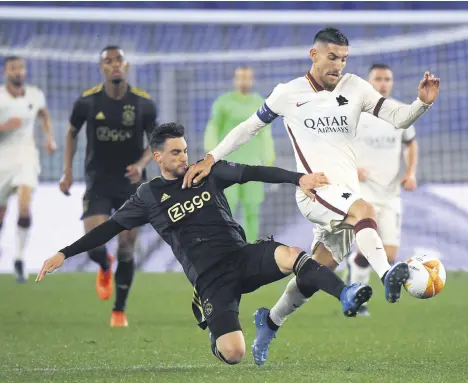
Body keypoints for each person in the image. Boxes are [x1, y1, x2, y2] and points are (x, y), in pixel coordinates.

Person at [182, 27, 440, 365]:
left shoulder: (356, 87)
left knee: (314, 273)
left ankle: (270, 321)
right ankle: (386, 272)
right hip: (314, 190)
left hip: (343, 195)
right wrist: (212, 157)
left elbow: (398, 118)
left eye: (344, 59)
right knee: (365, 209)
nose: (339, 65)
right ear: (313, 55)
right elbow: (249, 126)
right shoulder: (289, 93)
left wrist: (421, 102)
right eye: (332, 57)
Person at [37, 122, 372, 365]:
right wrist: (64, 253)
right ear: (157, 157)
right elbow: (109, 227)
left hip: (242, 256)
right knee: (234, 353)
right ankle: (215, 332)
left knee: (293, 256)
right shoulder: (149, 196)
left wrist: (298, 178)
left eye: (185, 150)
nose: (184, 157)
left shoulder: (206, 171)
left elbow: (255, 172)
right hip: (211, 280)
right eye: (175, 152)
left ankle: (345, 293)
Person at [59, 45, 157, 327]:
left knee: (127, 244)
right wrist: (67, 172)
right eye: (108, 61)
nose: (114, 65)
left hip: (131, 184)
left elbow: (156, 142)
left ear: (127, 66)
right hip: (99, 181)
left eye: (119, 60)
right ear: (101, 68)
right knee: (94, 242)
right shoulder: (88, 102)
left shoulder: (143, 103)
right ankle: (103, 264)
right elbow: (71, 133)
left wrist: (140, 164)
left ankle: (119, 310)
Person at [346, 63, 419, 316]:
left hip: (390, 193)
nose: (383, 83)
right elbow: (337, 146)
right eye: (378, 79)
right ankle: (357, 297)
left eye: (387, 79)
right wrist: (351, 169)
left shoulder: (401, 112)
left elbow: (410, 144)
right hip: (363, 192)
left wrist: (410, 172)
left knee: (389, 253)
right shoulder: (355, 113)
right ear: (369, 82)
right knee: (369, 246)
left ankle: (354, 265)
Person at [204, 65, 275, 243]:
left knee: (252, 211)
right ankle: (228, 247)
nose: (244, 81)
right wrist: (211, 156)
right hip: (228, 164)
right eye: (240, 77)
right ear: (235, 80)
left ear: (252, 79)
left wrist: (269, 159)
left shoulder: (259, 102)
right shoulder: (223, 102)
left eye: (247, 77)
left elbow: (266, 134)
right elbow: (213, 128)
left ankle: (249, 247)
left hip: (252, 166)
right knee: (226, 209)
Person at [0, 56, 56, 282]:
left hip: (26, 158)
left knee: (24, 206)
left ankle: (20, 259)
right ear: (6, 72)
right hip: (2, 160)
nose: (18, 72)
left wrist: (49, 138)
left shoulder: (35, 94)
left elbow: (43, 113)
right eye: (13, 68)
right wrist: (4, 127)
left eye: (21, 68)